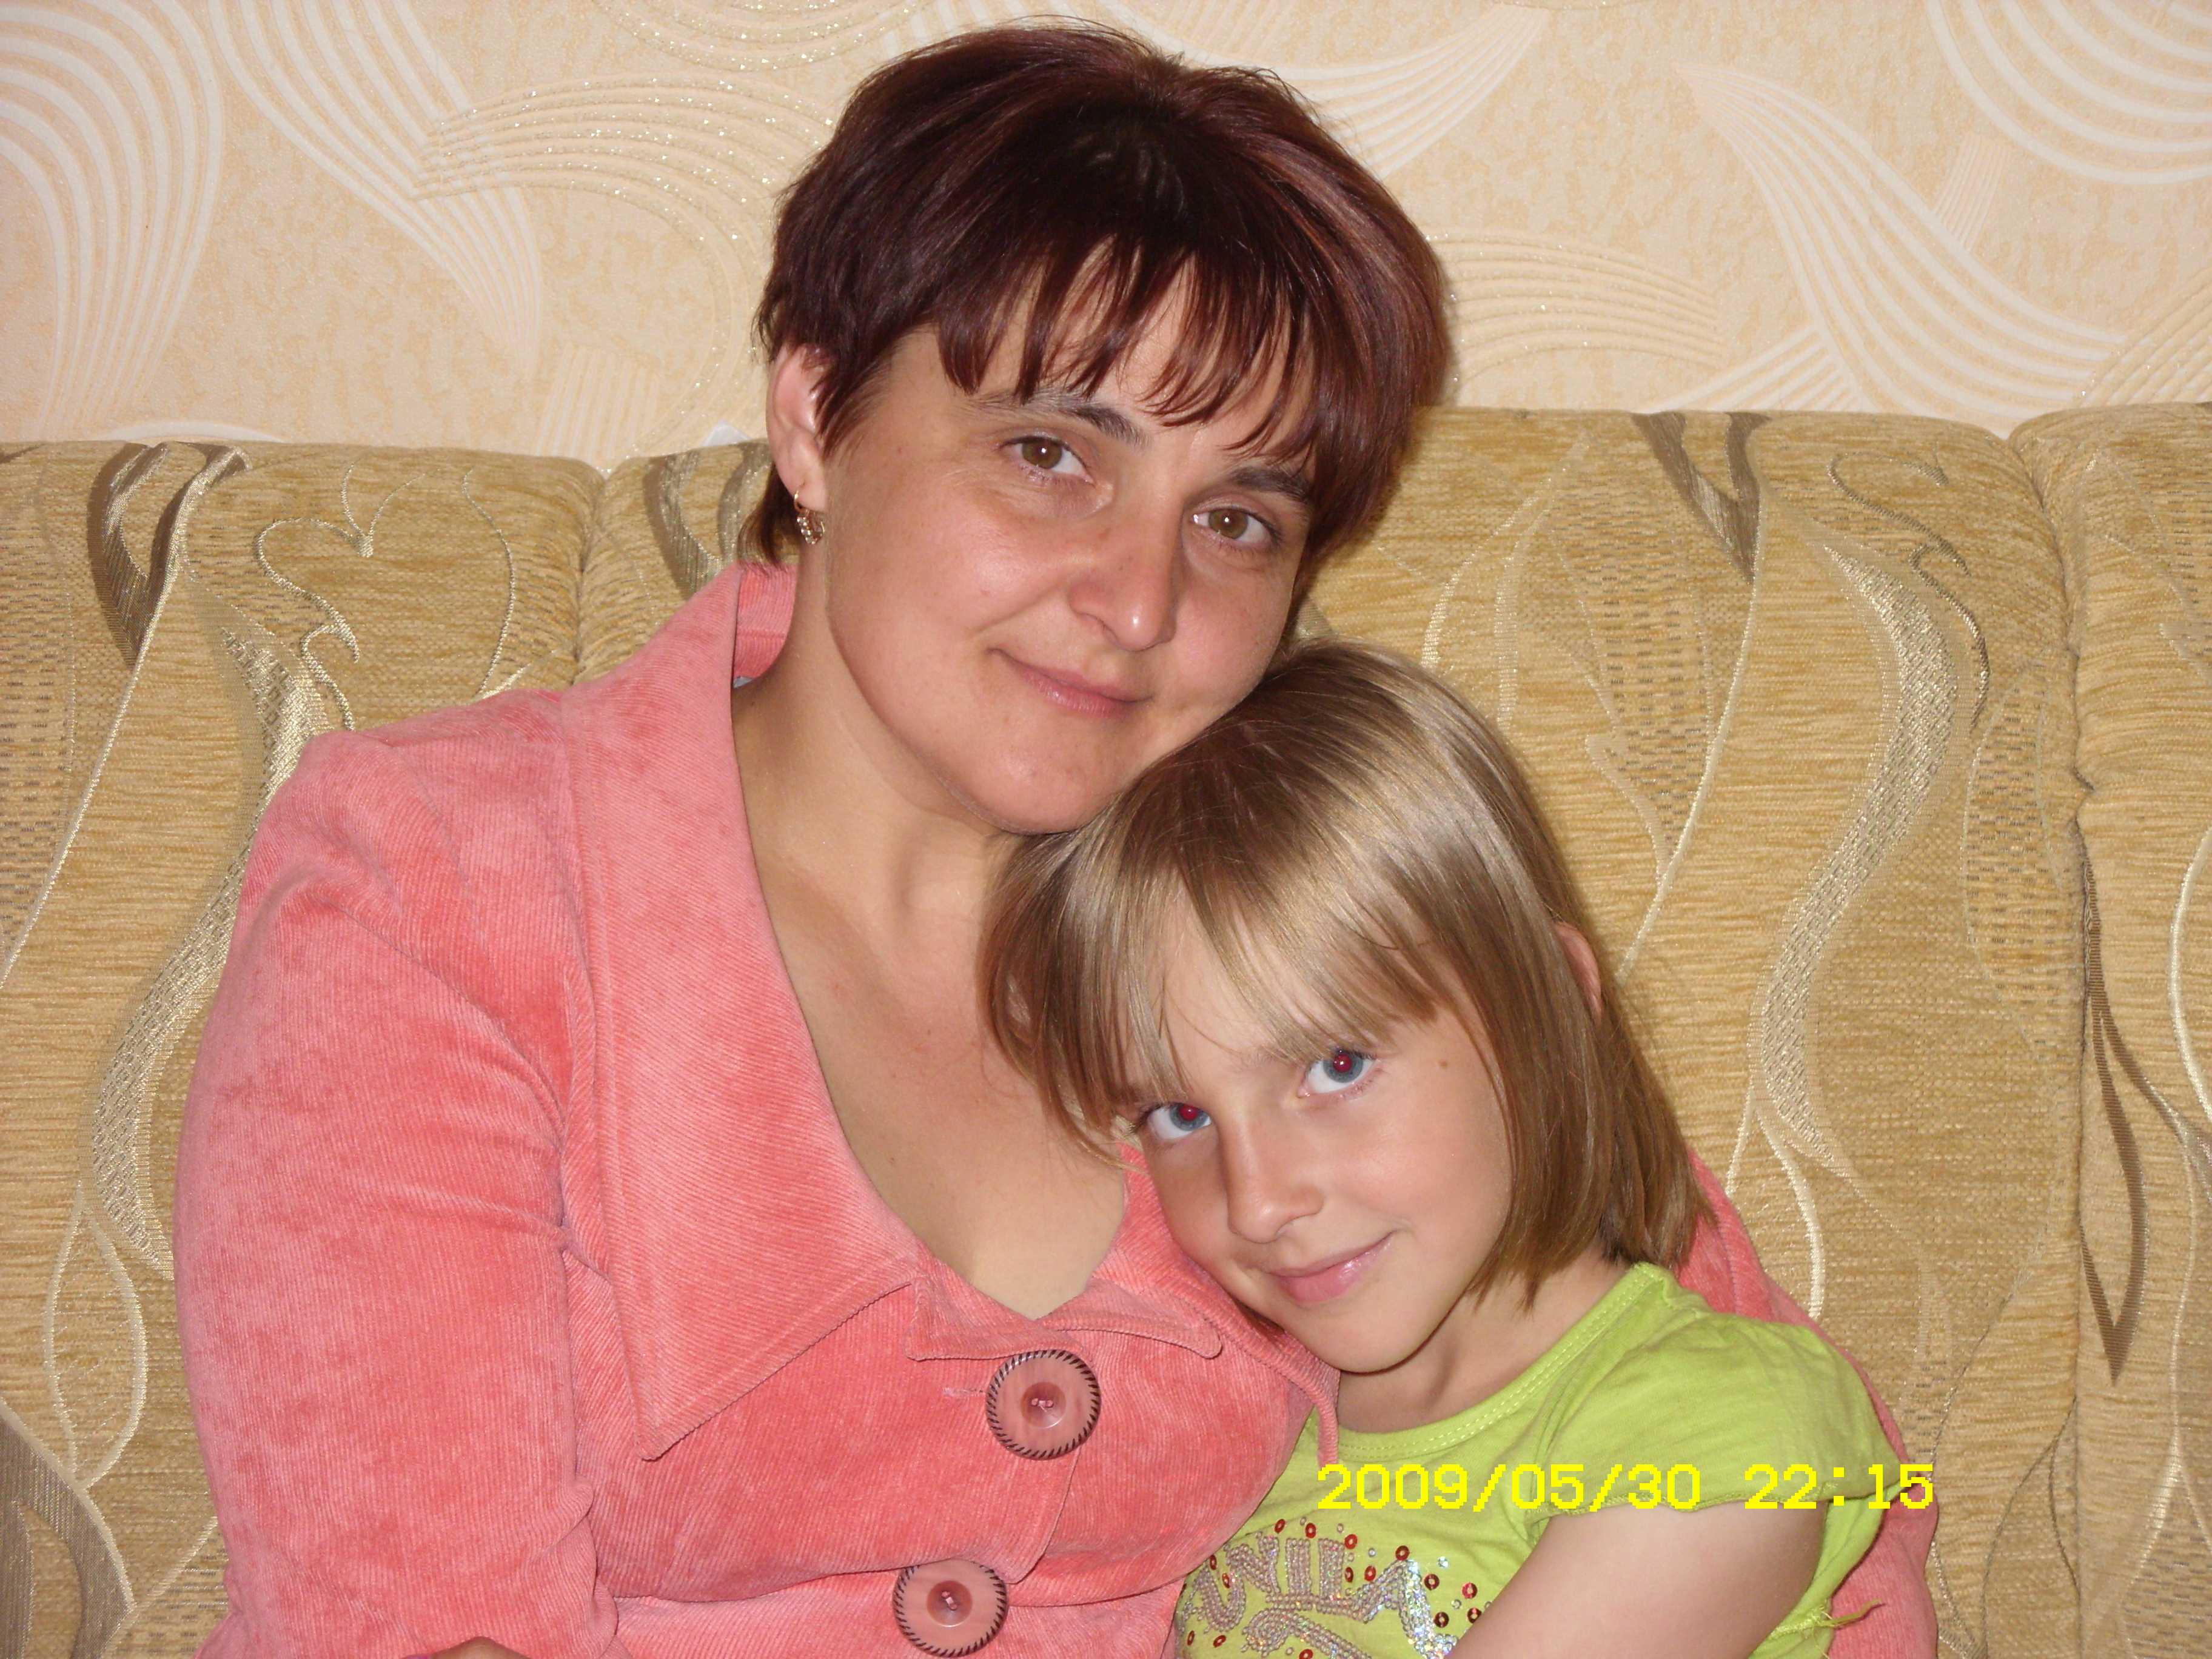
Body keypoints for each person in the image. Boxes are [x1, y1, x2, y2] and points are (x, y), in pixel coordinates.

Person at [173, 21, 1930, 1659]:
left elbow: (1797, 1509)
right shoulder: (443, 891)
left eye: (1236, 519)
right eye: (1049, 452)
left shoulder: (1304, 894)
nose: (1140, 599)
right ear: (814, 418)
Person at [984, 640, 1909, 1658]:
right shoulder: (1243, 1435)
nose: (1257, 1202)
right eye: (1181, 1115)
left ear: (1548, 1012)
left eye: (1336, 1066)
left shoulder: (1723, 1416)